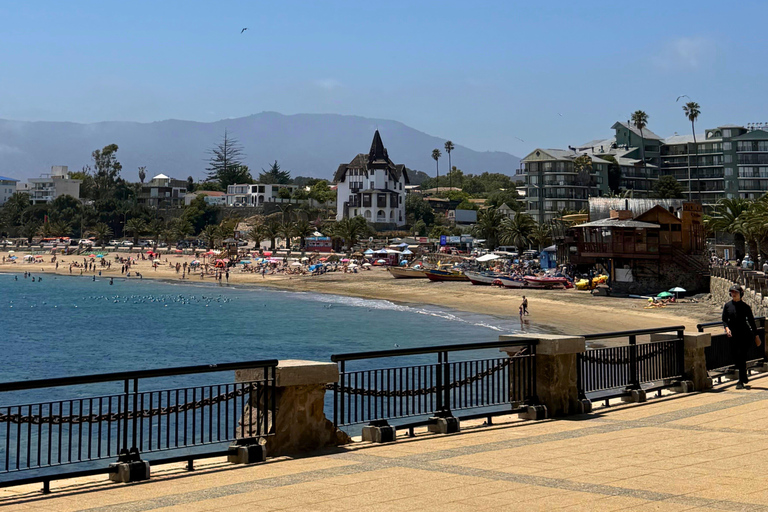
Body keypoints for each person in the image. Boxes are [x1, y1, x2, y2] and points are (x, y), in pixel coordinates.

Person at [722, 284, 761, 389]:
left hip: (745, 335)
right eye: (732, 292)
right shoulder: (727, 306)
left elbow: (752, 322)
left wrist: (756, 336)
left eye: (736, 292)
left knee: (741, 356)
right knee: (736, 357)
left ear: (741, 294)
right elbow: (724, 320)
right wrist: (727, 329)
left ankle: (740, 381)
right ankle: (744, 377)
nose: (733, 294)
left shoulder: (745, 307)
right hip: (733, 335)